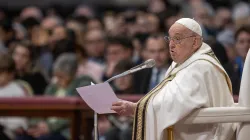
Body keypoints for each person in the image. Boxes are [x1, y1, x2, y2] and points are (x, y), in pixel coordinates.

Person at [111, 18, 235, 140]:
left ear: (195, 42)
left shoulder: (201, 67)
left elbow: (177, 103)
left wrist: (135, 108)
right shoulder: (181, 64)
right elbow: (166, 98)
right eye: (169, 39)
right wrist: (136, 108)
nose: (171, 45)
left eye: (177, 39)